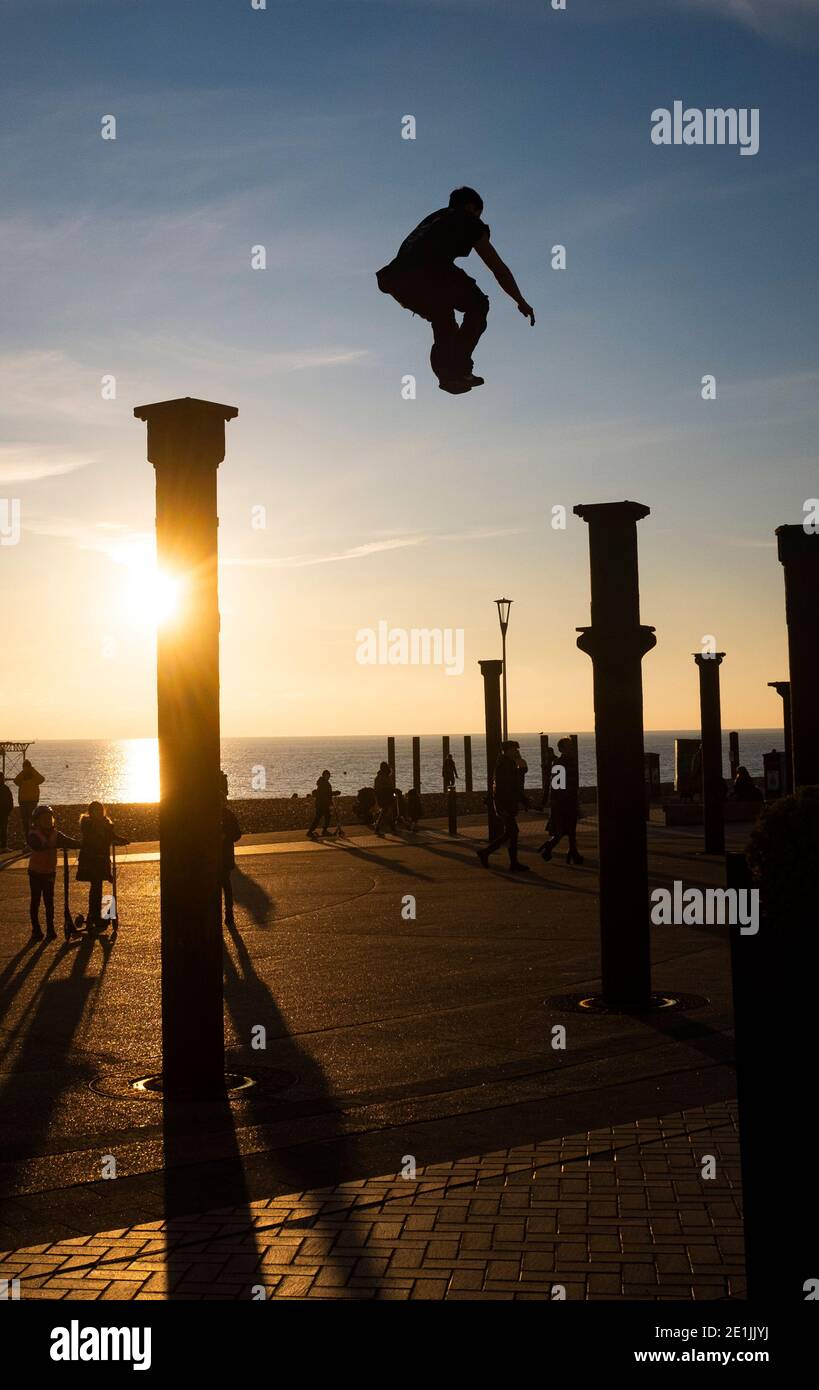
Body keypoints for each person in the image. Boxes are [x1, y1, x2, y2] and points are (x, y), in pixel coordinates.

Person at [376, 186, 535, 394]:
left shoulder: (434, 218)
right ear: (471, 208)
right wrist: (520, 300)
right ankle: (457, 369)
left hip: (396, 280)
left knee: (443, 318)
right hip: (429, 273)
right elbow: (499, 269)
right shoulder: (469, 220)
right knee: (478, 305)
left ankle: (449, 375)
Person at [27, 805, 80, 941]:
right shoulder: (34, 833)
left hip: (49, 872)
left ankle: (50, 928)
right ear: (37, 821)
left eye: (49, 818)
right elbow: (35, 845)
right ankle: (36, 929)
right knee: (36, 901)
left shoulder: (56, 834)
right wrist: (50, 846)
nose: (47, 821)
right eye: (44, 819)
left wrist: (84, 844)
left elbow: (70, 841)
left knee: (49, 902)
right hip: (36, 872)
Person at [477, 740, 530, 873]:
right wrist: (508, 805)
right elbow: (505, 787)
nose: (517, 751)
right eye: (514, 749)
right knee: (512, 832)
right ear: (507, 750)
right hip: (504, 804)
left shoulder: (509, 763)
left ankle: (504, 859)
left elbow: (515, 784)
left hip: (506, 803)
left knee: (511, 833)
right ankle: (488, 853)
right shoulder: (505, 765)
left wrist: (523, 800)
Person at [76, 802, 129, 930]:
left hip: (101, 859)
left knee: (98, 885)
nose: (98, 813)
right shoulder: (87, 824)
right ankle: (94, 914)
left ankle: (97, 914)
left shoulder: (106, 824)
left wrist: (121, 839)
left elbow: (111, 836)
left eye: (100, 811)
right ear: (91, 812)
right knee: (96, 885)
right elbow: (90, 837)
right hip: (91, 859)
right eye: (95, 811)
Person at [540, 737, 583, 865]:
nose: (571, 748)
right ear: (561, 749)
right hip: (563, 801)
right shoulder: (560, 763)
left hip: (569, 800)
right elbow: (556, 785)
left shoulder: (569, 762)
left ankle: (572, 852)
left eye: (571, 746)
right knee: (562, 830)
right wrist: (557, 801)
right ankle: (550, 847)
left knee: (570, 829)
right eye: (568, 746)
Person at [221, 797, 242, 928]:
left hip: (222, 857)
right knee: (226, 886)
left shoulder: (228, 815)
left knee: (224, 886)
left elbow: (237, 834)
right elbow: (237, 835)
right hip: (225, 856)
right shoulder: (229, 815)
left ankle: (229, 913)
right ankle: (229, 914)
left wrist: (225, 836)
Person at [14, 759, 45, 839]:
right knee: (25, 822)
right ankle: (28, 841)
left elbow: (42, 779)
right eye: (24, 767)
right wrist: (23, 772)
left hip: (32, 801)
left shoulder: (34, 777)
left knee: (32, 821)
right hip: (23, 801)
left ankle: (33, 840)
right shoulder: (22, 777)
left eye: (27, 767)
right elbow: (15, 781)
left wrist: (33, 771)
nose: (26, 769)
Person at [307, 770, 334, 837]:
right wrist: (334, 793)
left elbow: (327, 794)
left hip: (324, 803)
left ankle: (322, 831)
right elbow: (325, 794)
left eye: (329, 775)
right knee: (319, 818)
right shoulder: (323, 783)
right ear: (324, 775)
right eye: (327, 775)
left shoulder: (323, 782)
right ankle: (311, 831)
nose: (328, 776)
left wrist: (330, 801)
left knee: (326, 817)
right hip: (322, 804)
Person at [374, 761, 397, 835]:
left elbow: (377, 788)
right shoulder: (383, 777)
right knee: (386, 811)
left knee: (387, 811)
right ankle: (378, 827)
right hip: (384, 796)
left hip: (384, 796)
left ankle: (391, 826)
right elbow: (381, 788)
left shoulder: (381, 777)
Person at [0, 773, 13, 850]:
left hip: (5, 812)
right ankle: (3, 846)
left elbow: (10, 800)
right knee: (3, 829)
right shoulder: (5, 788)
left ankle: (4, 846)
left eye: (2, 778)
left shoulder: (6, 788)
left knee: (4, 829)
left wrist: (9, 809)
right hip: (4, 811)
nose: (2, 780)